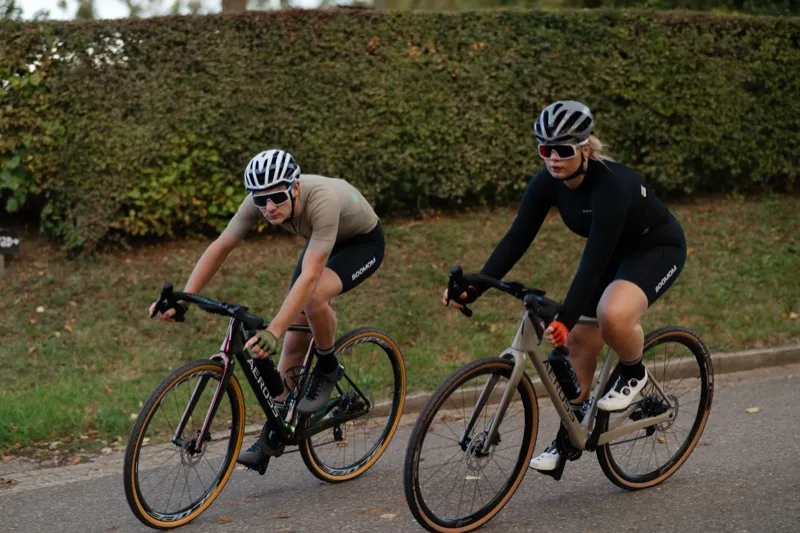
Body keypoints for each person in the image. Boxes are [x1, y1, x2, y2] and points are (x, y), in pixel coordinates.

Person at [442, 101, 687, 475]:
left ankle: (634, 372)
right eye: (545, 149)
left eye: (563, 150)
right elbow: (516, 239)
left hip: (655, 248)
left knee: (612, 315)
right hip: (611, 254)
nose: (553, 159)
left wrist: (565, 317)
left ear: (585, 148)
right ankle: (569, 436)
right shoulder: (546, 182)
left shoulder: (611, 187)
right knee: (578, 342)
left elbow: (592, 262)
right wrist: (474, 287)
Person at [149, 149, 385, 472]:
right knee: (293, 341)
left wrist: (273, 330)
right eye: (261, 200)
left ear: (295, 187)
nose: (269, 207)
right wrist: (183, 299)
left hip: (361, 243)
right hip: (322, 239)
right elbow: (221, 246)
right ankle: (278, 427)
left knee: (313, 296)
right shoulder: (260, 202)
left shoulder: (322, 200)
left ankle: (329, 366)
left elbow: (310, 276)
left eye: (277, 197)